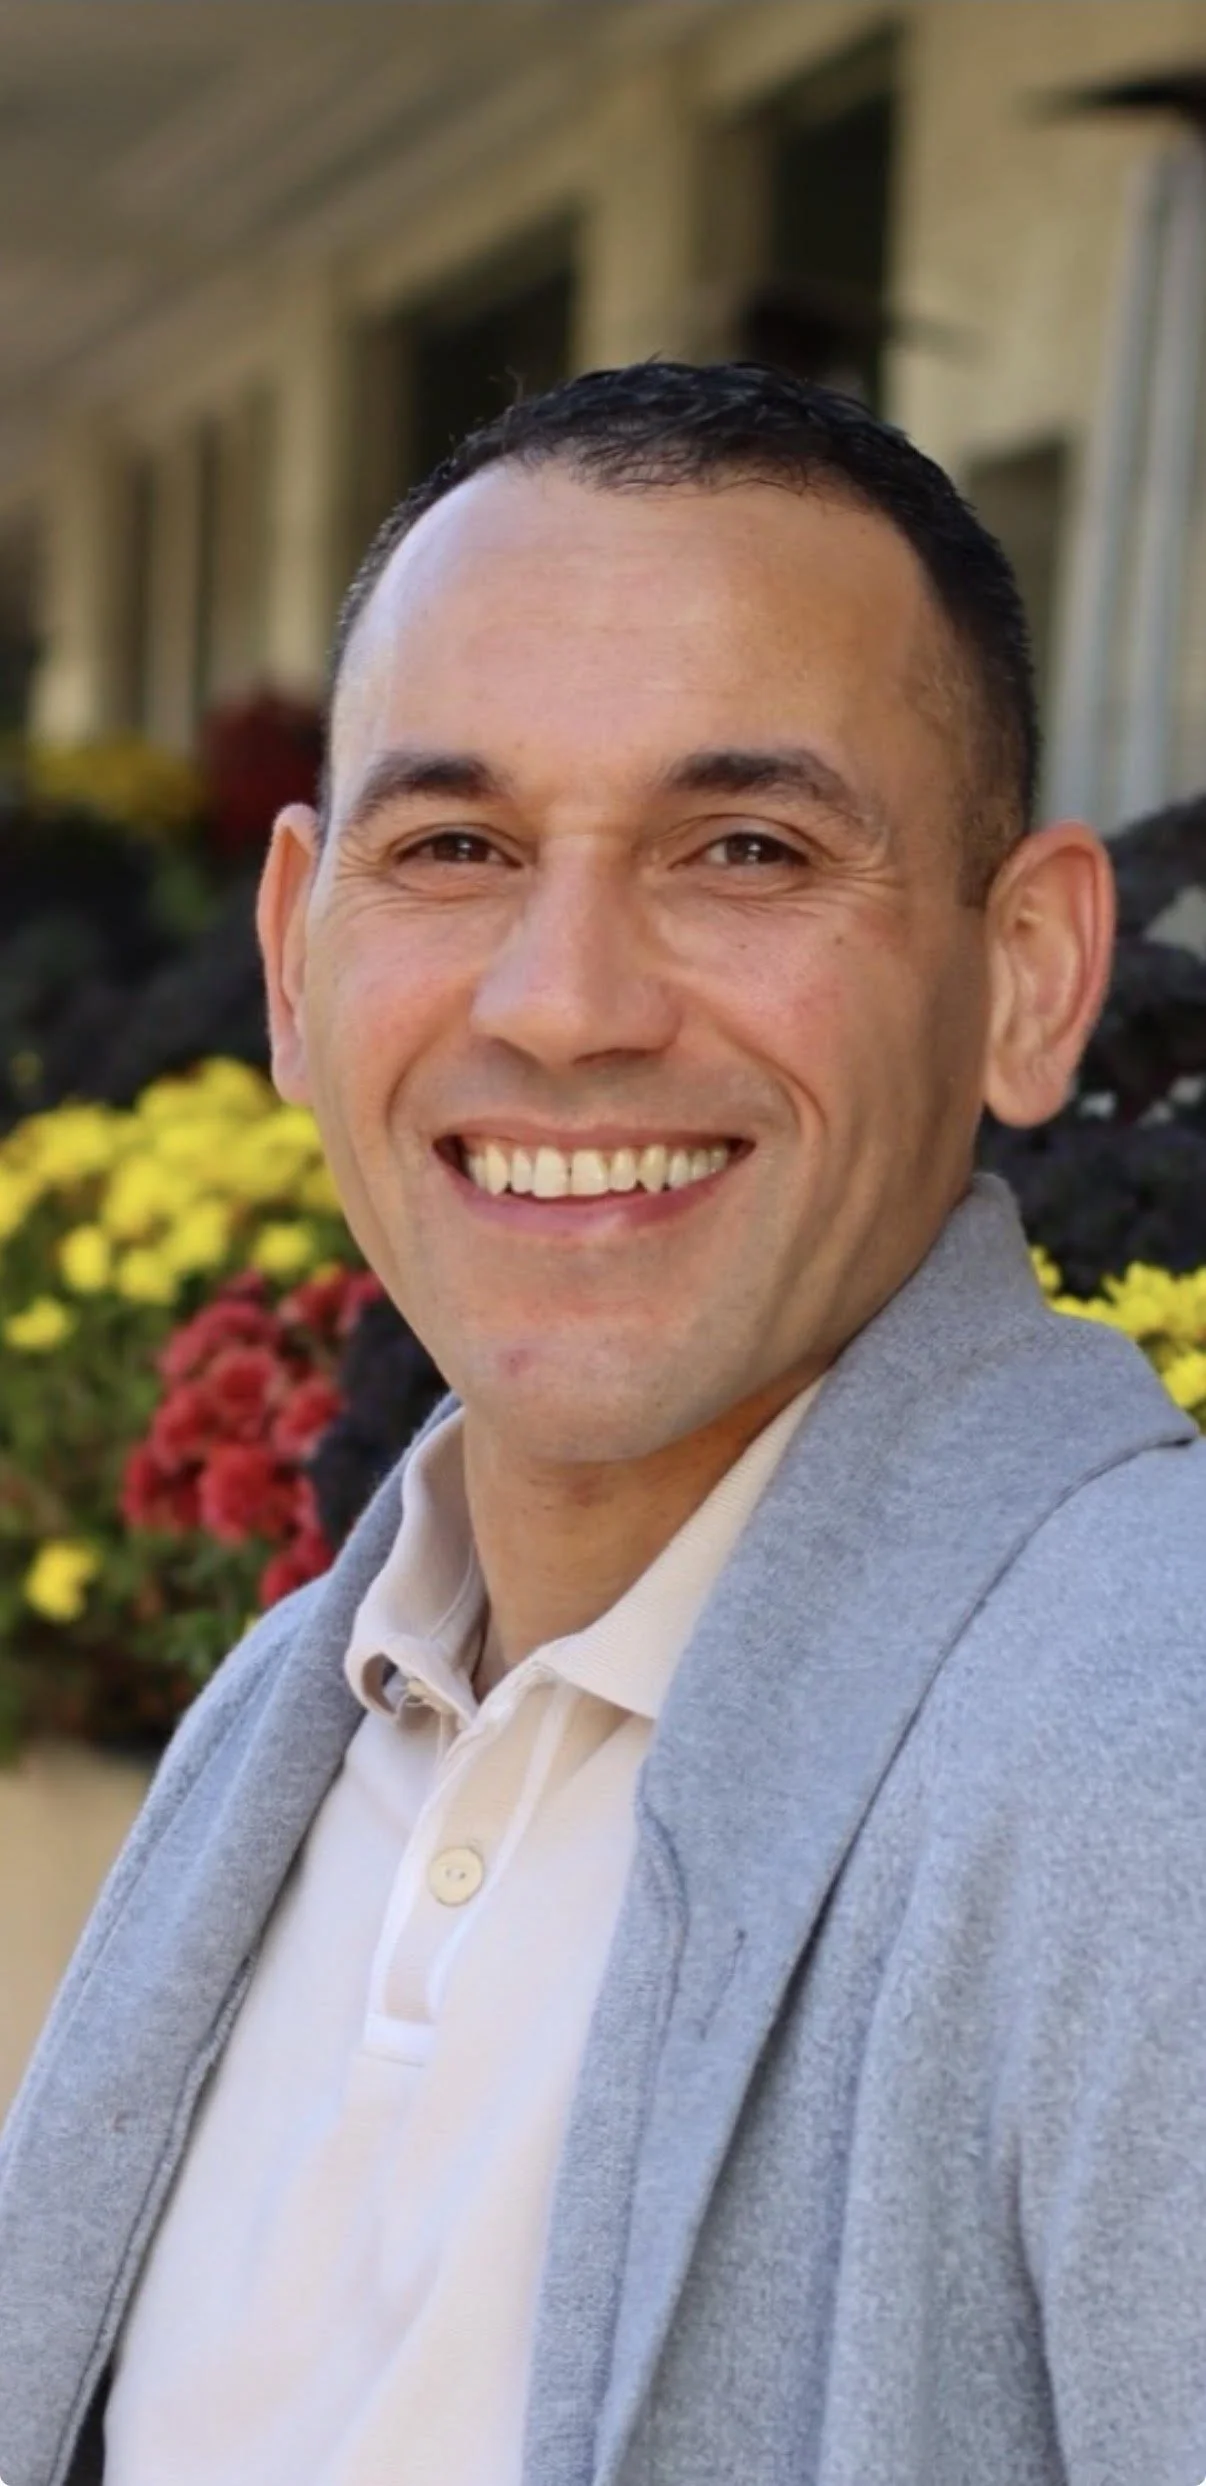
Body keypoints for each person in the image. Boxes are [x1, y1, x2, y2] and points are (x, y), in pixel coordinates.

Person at [2, 362, 1204, 2486]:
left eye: (743, 847)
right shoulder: (307, 1711)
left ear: (1027, 971)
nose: (563, 1000)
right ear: (297, 959)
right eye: (455, 844)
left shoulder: (1150, 1762)